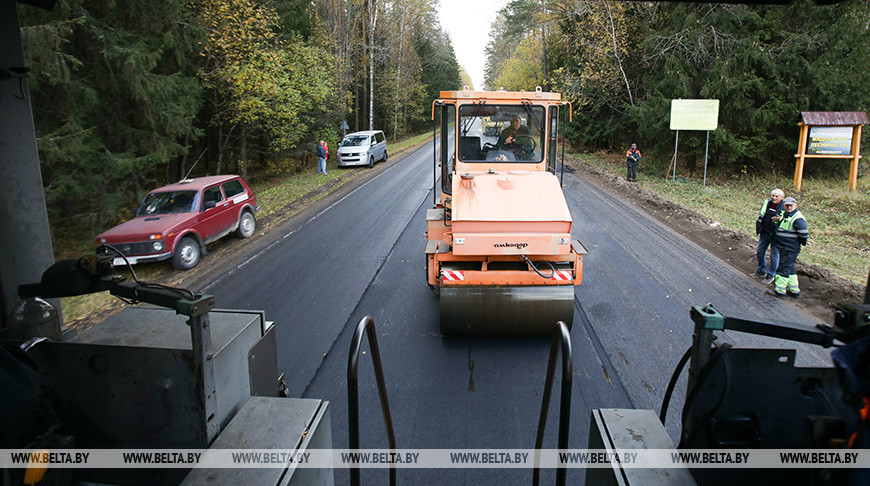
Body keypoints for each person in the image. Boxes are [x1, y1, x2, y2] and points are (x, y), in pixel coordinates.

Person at [767, 197, 808, 299]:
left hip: (790, 248)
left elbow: (804, 234)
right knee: (791, 268)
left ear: (795, 206)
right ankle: (794, 291)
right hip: (785, 247)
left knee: (783, 269)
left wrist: (801, 243)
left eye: (791, 205)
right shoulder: (787, 216)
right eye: (787, 205)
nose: (789, 207)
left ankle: (780, 291)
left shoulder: (798, 219)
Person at [750, 188, 784, 285]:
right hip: (765, 232)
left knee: (774, 256)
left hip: (776, 235)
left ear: (781, 198)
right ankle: (761, 270)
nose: (774, 198)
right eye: (773, 195)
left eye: (776, 196)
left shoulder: (784, 207)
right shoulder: (767, 203)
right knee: (760, 251)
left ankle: (771, 275)